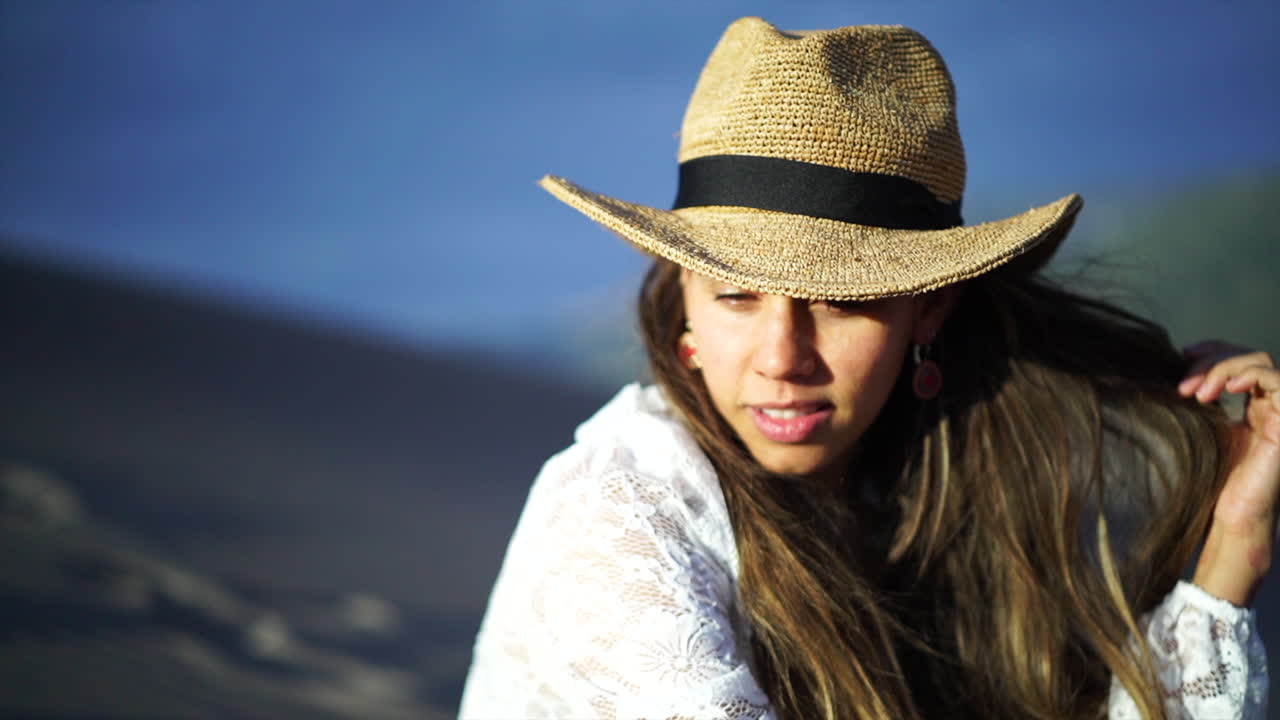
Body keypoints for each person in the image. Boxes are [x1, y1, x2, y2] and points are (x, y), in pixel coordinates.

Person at [459, 18, 1276, 719]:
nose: (782, 359)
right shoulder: (617, 515)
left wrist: (1234, 544)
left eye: (843, 302)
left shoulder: (956, 483)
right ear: (685, 309)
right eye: (736, 296)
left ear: (930, 310)